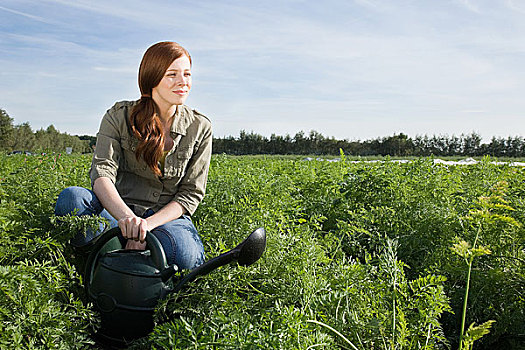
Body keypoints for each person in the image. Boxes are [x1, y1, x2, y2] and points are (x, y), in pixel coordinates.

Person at [54, 41, 212, 270]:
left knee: (186, 255)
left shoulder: (200, 127)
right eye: (172, 74)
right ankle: (109, 261)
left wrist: (145, 227)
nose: (183, 82)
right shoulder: (118, 116)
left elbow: (190, 194)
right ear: (152, 77)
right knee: (72, 200)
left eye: (187, 74)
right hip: (117, 212)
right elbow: (102, 174)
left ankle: (120, 255)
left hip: (165, 221)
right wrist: (127, 221)